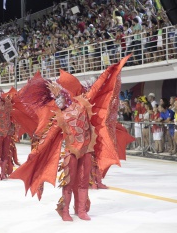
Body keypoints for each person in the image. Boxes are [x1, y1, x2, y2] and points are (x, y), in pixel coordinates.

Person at [10, 56, 134, 221]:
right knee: (68, 182)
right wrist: (35, 153)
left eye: (60, 98)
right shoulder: (59, 117)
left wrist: (110, 71)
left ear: (65, 96)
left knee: (83, 181)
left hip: (87, 150)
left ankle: (81, 210)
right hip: (71, 152)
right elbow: (48, 137)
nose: (58, 102)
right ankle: (66, 210)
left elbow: (97, 88)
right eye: (56, 100)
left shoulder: (82, 104)